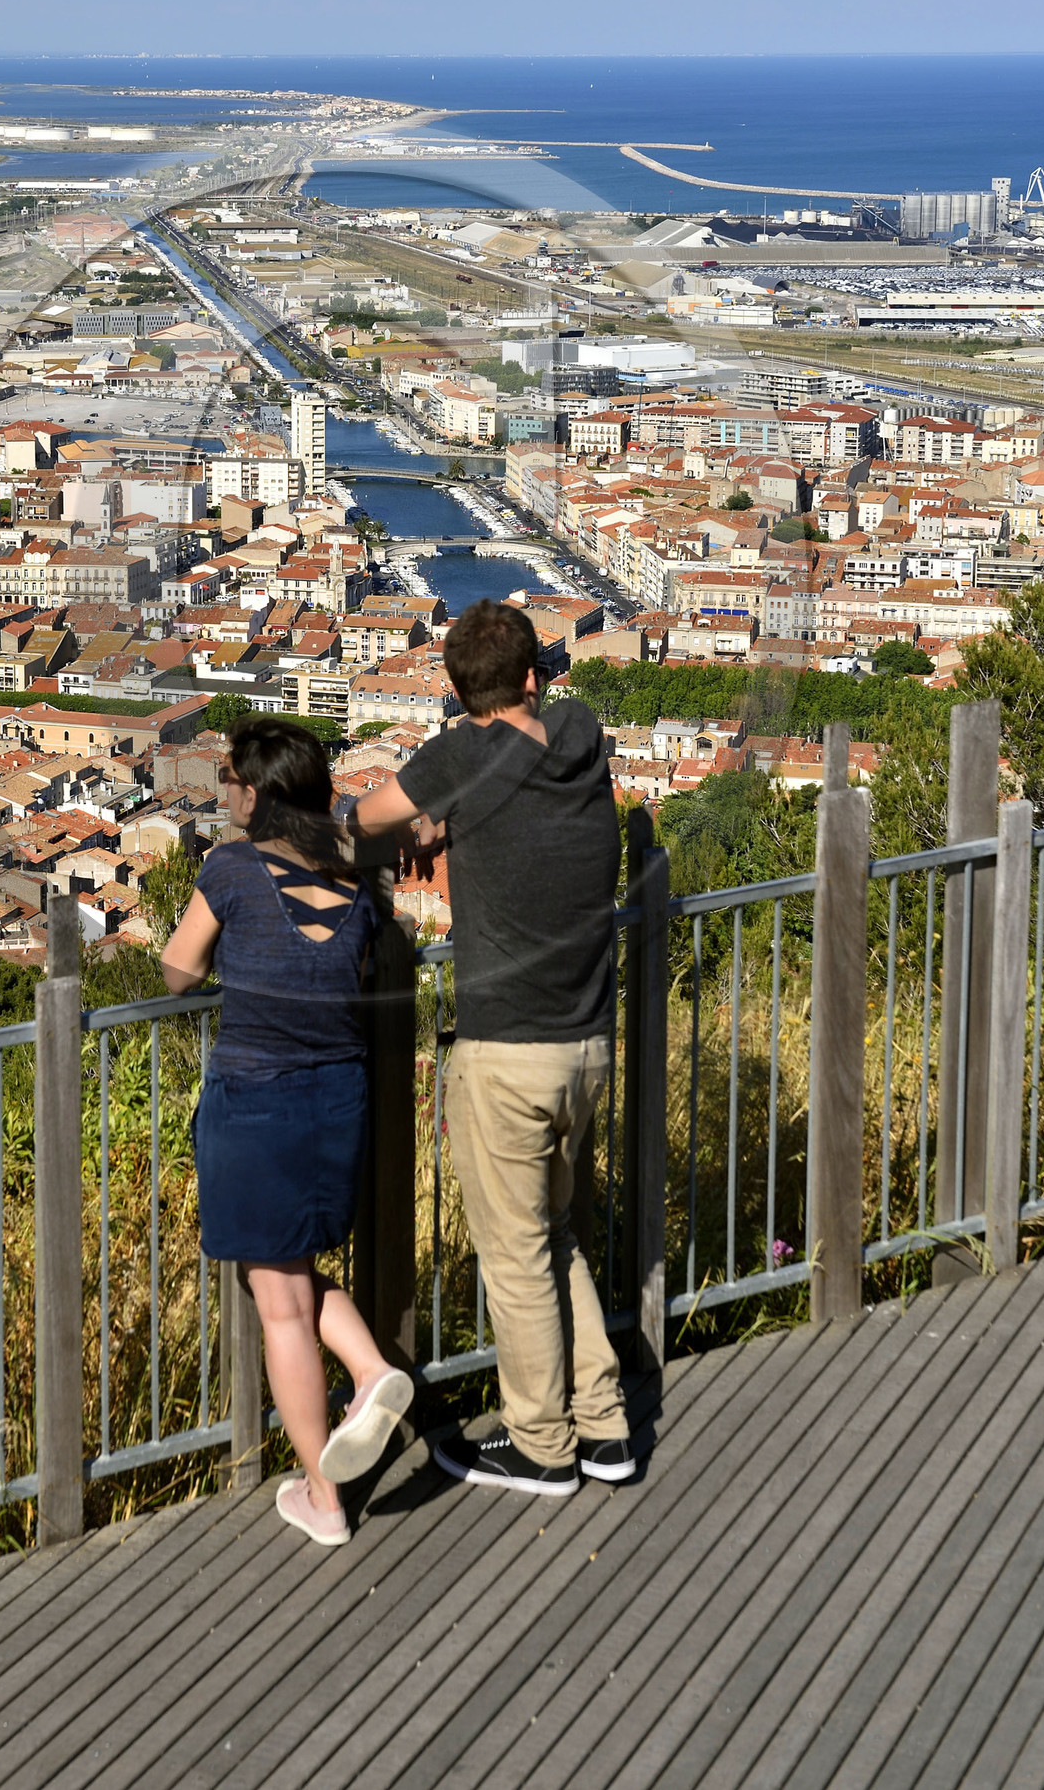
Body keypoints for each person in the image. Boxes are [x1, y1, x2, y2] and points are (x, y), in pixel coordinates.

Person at [352, 598, 633, 1499]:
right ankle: (606, 1426)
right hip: (589, 1042)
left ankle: (543, 1442)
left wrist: (421, 830)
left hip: (508, 1047)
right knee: (556, 1238)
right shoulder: (582, 739)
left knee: (513, 1259)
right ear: (533, 677)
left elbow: (364, 816)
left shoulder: (463, 754)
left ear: (458, 689)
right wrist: (453, 827)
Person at [161, 714, 414, 1546]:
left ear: (259, 793)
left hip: (256, 1100)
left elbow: (177, 967)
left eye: (231, 780)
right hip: (337, 1097)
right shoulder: (352, 882)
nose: (224, 792)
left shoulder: (231, 868)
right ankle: (373, 1370)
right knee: (288, 1273)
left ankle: (323, 1494)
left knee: (277, 1306)